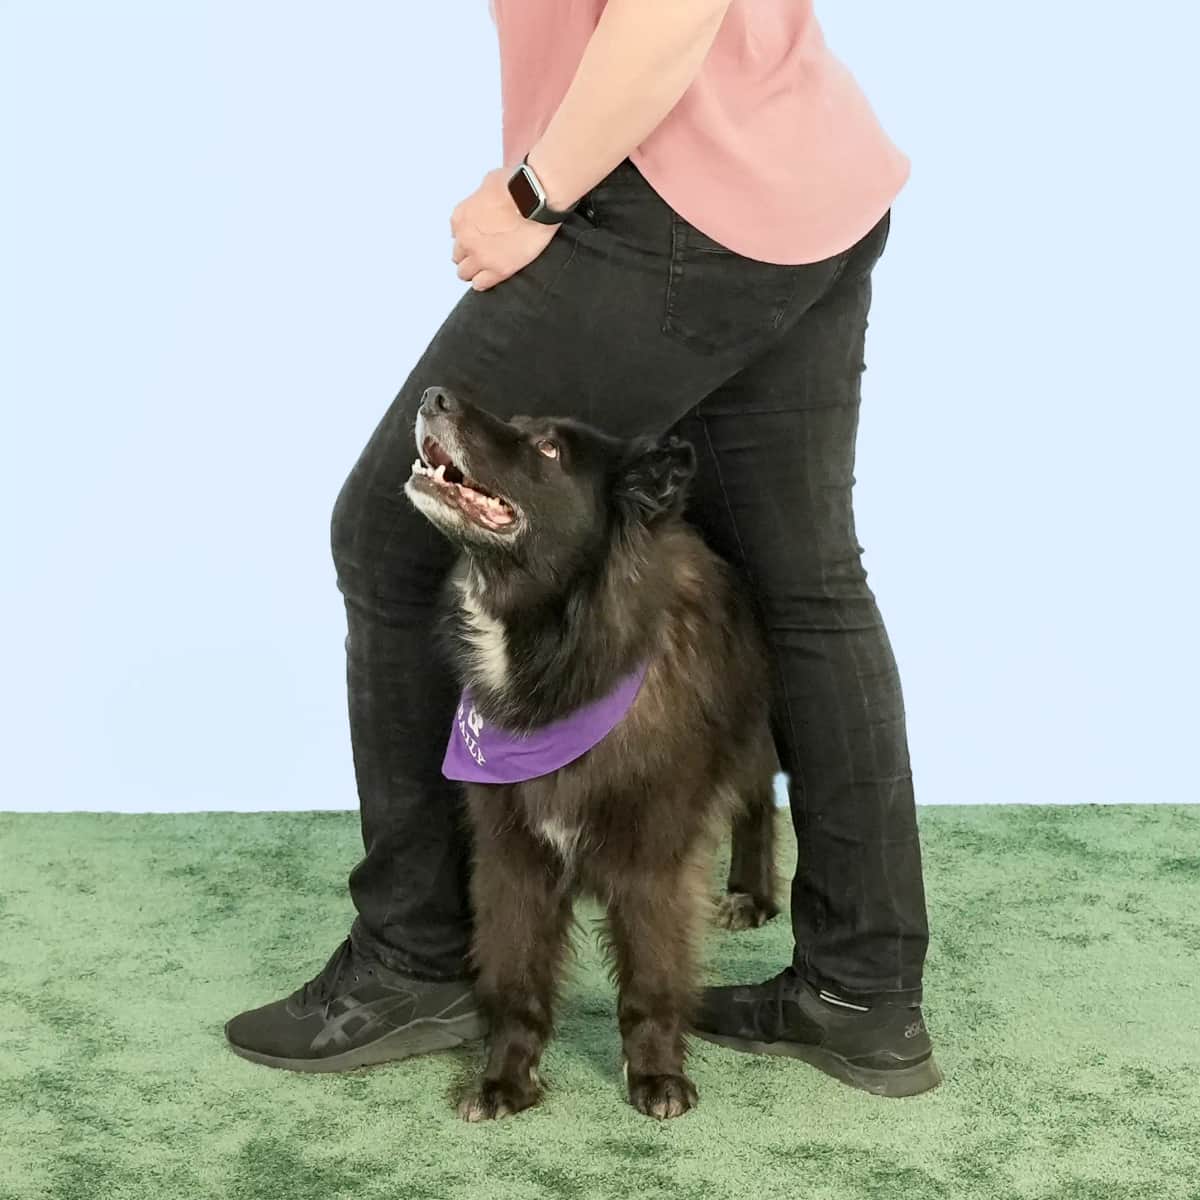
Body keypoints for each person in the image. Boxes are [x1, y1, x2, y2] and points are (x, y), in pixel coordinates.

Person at [225, 0, 941, 1098]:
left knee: (395, 533)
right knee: (807, 582)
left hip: (666, 204)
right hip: (794, 173)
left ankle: (418, 958)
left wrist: (532, 190)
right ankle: (862, 993)